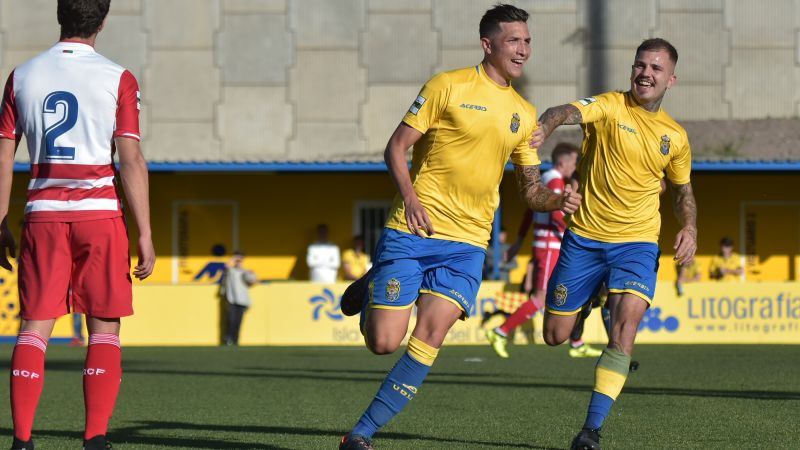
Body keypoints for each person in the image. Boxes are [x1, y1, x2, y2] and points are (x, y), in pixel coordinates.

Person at [336, 5, 581, 450]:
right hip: (415, 231)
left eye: (527, 41)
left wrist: (557, 199)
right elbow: (395, 148)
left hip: (468, 243)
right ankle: (377, 285)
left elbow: (529, 189)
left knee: (430, 336)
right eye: (514, 41)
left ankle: (361, 434)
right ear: (488, 44)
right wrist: (409, 198)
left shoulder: (524, 113)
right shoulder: (447, 86)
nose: (523, 50)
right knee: (384, 343)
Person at [0, 1, 155, 449]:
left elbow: (4, 156)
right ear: (102, 21)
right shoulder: (118, 77)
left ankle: (23, 441)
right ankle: (94, 439)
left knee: (34, 327)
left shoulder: (22, 76)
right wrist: (144, 232)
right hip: (100, 215)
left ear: (59, 16)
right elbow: (130, 159)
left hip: (42, 215)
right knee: (104, 327)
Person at [534, 38, 697, 449]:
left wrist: (690, 227)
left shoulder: (675, 137)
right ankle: (587, 301)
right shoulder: (608, 105)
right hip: (585, 239)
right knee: (555, 334)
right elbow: (564, 111)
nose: (646, 73)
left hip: (638, 243)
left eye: (656, 68)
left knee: (625, 329)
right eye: (641, 65)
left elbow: (682, 192)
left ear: (671, 80)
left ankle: (590, 432)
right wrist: (546, 125)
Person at [485, 143, 603, 358]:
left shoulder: (545, 179)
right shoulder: (556, 181)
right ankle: (500, 332)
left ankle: (576, 343)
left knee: (563, 292)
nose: (575, 167)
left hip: (545, 245)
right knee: (541, 298)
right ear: (563, 162)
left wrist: (519, 243)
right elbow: (558, 216)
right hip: (550, 247)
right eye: (574, 162)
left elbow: (530, 213)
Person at [220, 250, 257, 346]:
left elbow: (252, 282)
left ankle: (236, 340)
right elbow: (226, 267)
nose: (238, 261)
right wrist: (233, 259)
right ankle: (228, 339)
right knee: (230, 320)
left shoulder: (245, 271)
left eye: (240, 259)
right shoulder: (230, 270)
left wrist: (252, 277)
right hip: (231, 299)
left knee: (238, 322)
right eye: (237, 259)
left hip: (242, 300)